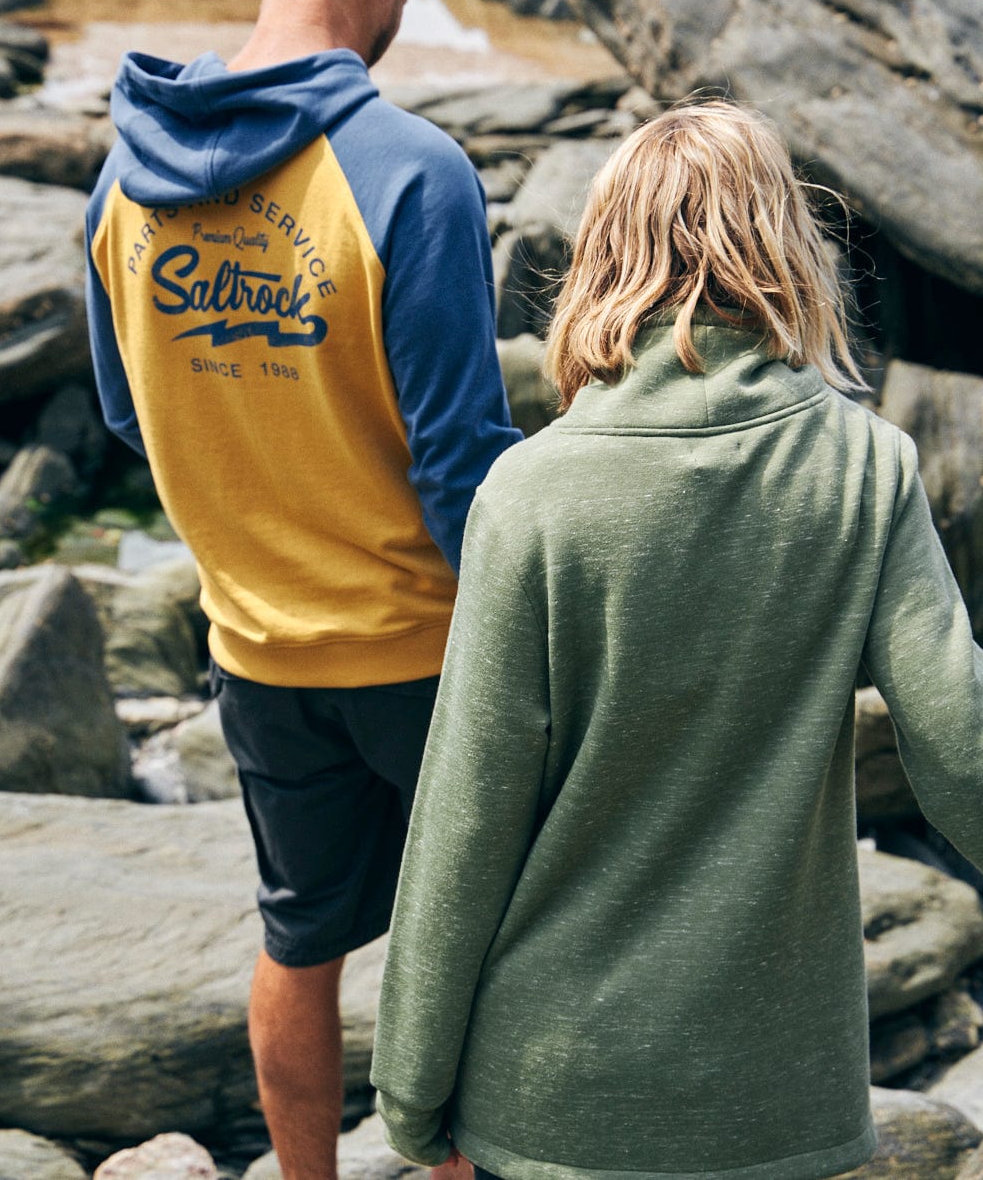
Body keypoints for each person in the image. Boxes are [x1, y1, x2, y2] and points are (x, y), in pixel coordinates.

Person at [370, 100, 983, 1180]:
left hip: (553, 1093)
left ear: (604, 258)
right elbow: (961, 747)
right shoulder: (865, 469)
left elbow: (466, 817)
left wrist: (412, 1094)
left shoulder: (530, 494)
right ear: (785, 251)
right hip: (773, 1104)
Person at [84, 0, 519, 1178]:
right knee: (486, 951)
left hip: (256, 653)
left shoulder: (121, 178)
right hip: (424, 658)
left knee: (299, 936)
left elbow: (125, 415)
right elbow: (462, 465)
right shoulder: (410, 170)